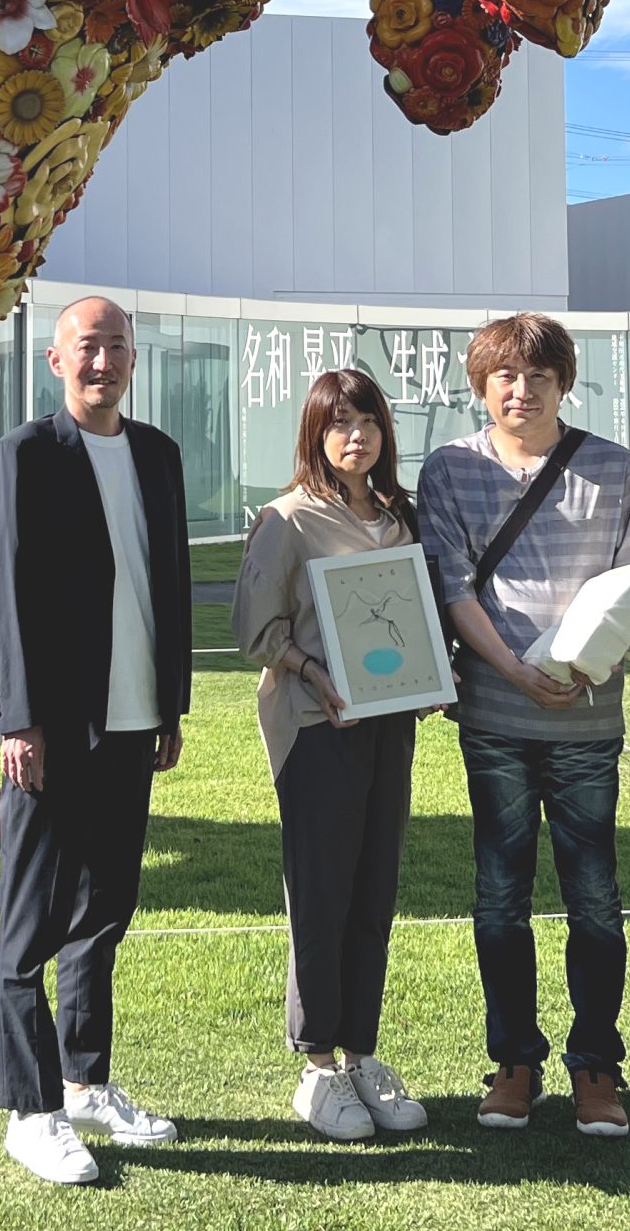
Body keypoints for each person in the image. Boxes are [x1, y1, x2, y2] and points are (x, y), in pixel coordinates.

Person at [417, 312, 630, 1140]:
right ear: (481, 384)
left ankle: (597, 1065)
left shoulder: (613, 468)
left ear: (565, 382)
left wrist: (591, 663)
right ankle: (513, 1060)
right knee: (500, 897)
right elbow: (452, 588)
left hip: (589, 720)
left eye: (539, 377)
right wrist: (516, 669)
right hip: (494, 716)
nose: (522, 392)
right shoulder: (449, 469)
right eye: (505, 378)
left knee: (596, 898)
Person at [0, 296, 192, 1185]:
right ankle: (31, 1112)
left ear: (134, 359)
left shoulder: (157, 456)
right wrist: (17, 718)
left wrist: (170, 705)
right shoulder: (26, 455)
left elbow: (168, 581)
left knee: (105, 911)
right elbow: (4, 589)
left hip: (135, 721)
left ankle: (85, 1078)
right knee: (29, 925)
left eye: (117, 347)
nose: (103, 361)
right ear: (58, 362)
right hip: (54, 728)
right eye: (87, 348)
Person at [233, 368, 432, 1142]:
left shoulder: (395, 517)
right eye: (340, 423)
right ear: (316, 433)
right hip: (317, 728)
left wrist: (426, 674)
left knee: (375, 889)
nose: (358, 436)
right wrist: (319, 675)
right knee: (322, 894)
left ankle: (362, 1057)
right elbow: (257, 631)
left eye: (370, 423)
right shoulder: (287, 520)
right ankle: (317, 1068)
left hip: (389, 725)